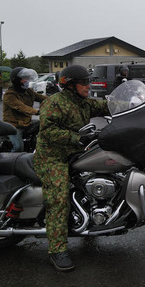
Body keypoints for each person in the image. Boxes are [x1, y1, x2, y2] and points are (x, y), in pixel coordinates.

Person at [33, 65, 111, 272]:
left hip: (75, 153)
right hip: (53, 157)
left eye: (89, 81)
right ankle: (57, 250)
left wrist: (136, 104)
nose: (89, 85)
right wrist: (78, 138)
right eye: (84, 82)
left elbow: (105, 106)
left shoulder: (83, 103)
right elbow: (48, 131)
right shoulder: (54, 103)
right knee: (58, 199)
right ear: (69, 85)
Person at [2, 67, 47, 152]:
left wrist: (57, 99)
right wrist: (37, 111)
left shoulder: (28, 91)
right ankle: (10, 162)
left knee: (45, 126)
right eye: (24, 79)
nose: (27, 81)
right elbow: (21, 107)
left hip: (26, 122)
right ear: (16, 80)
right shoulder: (9, 95)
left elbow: (41, 97)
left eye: (28, 78)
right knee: (18, 147)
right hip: (13, 125)